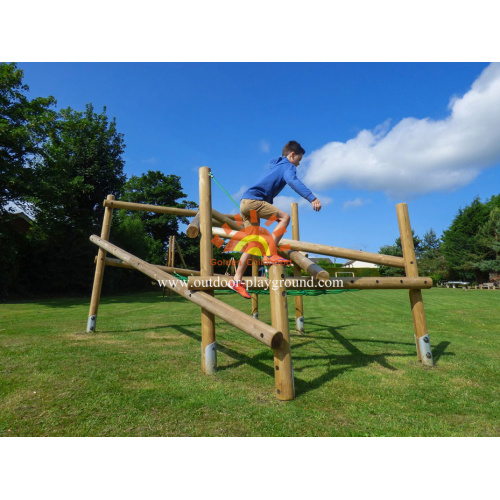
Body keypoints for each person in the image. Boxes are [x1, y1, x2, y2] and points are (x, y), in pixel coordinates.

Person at [229, 140, 322, 299]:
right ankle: (270, 254)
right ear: (292, 155)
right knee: (284, 217)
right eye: (298, 160)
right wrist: (312, 198)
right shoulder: (288, 166)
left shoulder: (276, 164)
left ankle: (236, 280)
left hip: (245, 202)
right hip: (254, 202)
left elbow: (275, 162)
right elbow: (293, 181)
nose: (298, 165)